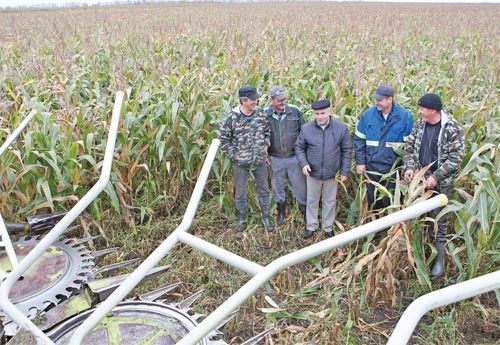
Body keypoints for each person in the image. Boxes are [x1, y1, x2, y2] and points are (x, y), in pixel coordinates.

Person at [404, 93, 464, 277]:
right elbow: (410, 146)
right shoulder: (419, 123)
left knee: (439, 221)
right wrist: (410, 167)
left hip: (441, 183)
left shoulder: (452, 128)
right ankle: (417, 255)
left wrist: (436, 177)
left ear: (434, 111)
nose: (420, 111)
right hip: (419, 180)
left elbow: (456, 158)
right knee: (415, 217)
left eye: (423, 108)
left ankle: (438, 260)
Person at [219, 85, 274, 232]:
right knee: (240, 193)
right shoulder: (231, 119)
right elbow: (224, 141)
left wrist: (266, 145)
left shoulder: (261, 114)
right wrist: (235, 155)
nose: (256, 101)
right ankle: (242, 218)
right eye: (252, 100)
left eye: (256, 99)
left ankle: (266, 216)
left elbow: (267, 131)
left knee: (264, 190)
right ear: (243, 100)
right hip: (241, 164)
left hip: (260, 161)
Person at [295, 100, 352, 239]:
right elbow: (299, 147)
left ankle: (327, 227)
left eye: (323, 113)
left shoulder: (340, 128)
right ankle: (311, 226)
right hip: (312, 173)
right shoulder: (306, 128)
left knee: (329, 201)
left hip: (331, 174)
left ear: (329, 112)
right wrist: (304, 163)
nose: (320, 117)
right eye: (317, 114)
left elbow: (347, 150)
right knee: (312, 200)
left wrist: (344, 171)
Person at [353, 85, 413, 209]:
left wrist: (407, 167)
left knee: (390, 201)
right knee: (373, 200)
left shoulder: (405, 117)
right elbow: (359, 140)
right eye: (376, 99)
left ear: (390, 99)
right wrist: (360, 162)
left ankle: (391, 228)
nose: (377, 102)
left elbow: (409, 146)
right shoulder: (368, 115)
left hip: (393, 169)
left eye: (380, 100)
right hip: (371, 167)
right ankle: (375, 226)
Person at [265, 86, 307, 225]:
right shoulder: (265, 114)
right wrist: (264, 154)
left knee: (300, 186)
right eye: (279, 100)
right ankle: (281, 211)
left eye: (285, 99)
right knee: (277, 186)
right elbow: (261, 135)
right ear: (272, 100)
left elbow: (304, 132)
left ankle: (304, 210)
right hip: (275, 158)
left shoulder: (295, 111)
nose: (283, 102)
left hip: (294, 157)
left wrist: (303, 155)